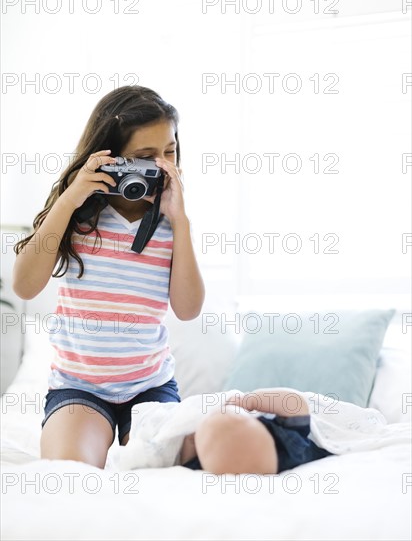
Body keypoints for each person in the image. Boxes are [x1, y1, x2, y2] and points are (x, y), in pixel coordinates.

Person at [13, 85, 205, 469]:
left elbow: (187, 309)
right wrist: (69, 199)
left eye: (170, 152)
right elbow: (24, 285)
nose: (163, 165)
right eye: (144, 157)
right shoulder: (78, 216)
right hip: (78, 386)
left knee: (161, 474)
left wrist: (180, 222)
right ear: (110, 159)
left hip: (151, 385)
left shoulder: (169, 224)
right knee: (71, 475)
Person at [179, 388, 333, 474]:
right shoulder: (291, 448)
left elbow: (183, 462)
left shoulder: (197, 467)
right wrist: (251, 401)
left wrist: (189, 444)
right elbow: (295, 403)